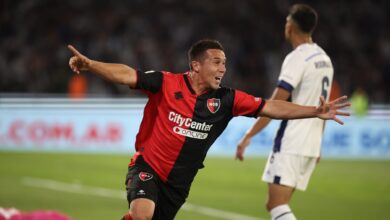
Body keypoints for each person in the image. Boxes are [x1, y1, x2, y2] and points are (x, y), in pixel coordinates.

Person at [68, 39, 349, 220]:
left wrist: (313, 111)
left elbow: (271, 107)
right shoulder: (166, 83)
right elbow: (127, 74)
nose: (223, 68)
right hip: (148, 167)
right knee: (143, 214)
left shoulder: (227, 99)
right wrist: (91, 65)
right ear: (196, 65)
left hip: (178, 186)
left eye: (224, 63)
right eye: (216, 62)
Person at [236, 4, 335, 220]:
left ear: (290, 26)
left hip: (292, 140)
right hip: (310, 143)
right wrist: (318, 144)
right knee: (279, 204)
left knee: (276, 205)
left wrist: (248, 136)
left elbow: (274, 105)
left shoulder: (297, 58)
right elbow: (323, 108)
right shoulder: (324, 59)